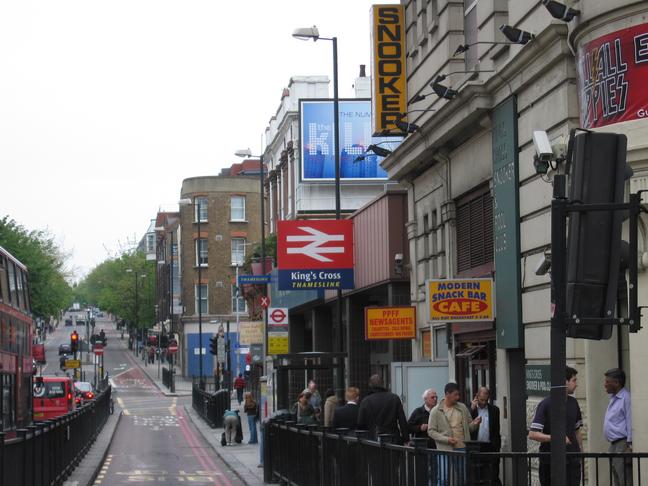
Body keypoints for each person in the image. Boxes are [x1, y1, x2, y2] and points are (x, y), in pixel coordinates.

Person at [528, 366, 584, 486]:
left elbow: (577, 430)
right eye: (574, 380)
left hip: (572, 460)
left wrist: (581, 452)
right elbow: (533, 434)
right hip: (550, 461)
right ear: (565, 382)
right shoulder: (546, 404)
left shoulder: (573, 403)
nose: (576, 384)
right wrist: (555, 438)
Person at [428, 383, 481, 486]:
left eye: (458, 395)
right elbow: (431, 431)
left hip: (461, 447)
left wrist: (475, 424)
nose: (458, 397)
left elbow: (469, 427)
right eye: (455, 395)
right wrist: (446, 439)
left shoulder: (462, 407)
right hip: (444, 448)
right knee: (443, 479)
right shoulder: (436, 410)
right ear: (447, 394)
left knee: (463, 478)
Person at [357, 374, 408, 444]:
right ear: (383, 384)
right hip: (393, 439)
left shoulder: (365, 401)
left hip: (373, 440)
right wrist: (406, 438)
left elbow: (360, 423)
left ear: (370, 385)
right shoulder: (394, 398)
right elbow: (402, 421)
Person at [603, 368, 633, 486]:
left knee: (624, 479)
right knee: (616, 479)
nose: (604, 384)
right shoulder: (614, 398)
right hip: (614, 444)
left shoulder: (626, 398)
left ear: (616, 382)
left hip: (622, 443)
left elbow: (630, 421)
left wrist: (629, 445)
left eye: (607, 382)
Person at [470, 387, 502, 486]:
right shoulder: (471, 409)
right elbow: (465, 425)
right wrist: (472, 409)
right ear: (477, 396)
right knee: (476, 474)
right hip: (475, 446)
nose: (483, 402)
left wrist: (497, 446)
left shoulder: (494, 410)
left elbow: (496, 430)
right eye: (481, 400)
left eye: (486, 400)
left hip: (490, 446)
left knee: (492, 475)